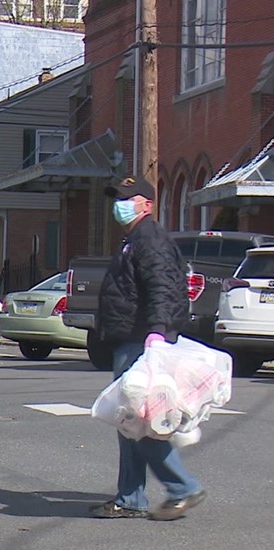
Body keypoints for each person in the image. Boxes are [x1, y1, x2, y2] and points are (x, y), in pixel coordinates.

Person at [92, 176, 206, 521]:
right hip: (132, 338)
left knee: (136, 420)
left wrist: (157, 332)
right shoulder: (135, 239)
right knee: (130, 421)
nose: (120, 205)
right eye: (118, 198)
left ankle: (182, 486)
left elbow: (163, 288)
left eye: (128, 198)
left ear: (147, 204)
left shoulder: (150, 239)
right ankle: (131, 497)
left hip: (142, 341)